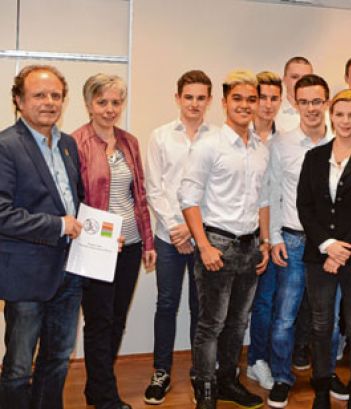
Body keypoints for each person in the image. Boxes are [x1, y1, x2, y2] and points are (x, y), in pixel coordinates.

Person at [179, 70, 270, 409]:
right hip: (217, 245)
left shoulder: (260, 149)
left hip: (250, 247)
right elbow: (188, 198)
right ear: (224, 103)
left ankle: (228, 382)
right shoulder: (209, 145)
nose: (245, 105)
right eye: (238, 99)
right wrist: (203, 246)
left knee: (238, 323)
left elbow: (263, 199)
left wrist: (265, 242)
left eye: (251, 99)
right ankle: (205, 388)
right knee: (211, 324)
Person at [0, 64, 83, 409]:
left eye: (56, 95)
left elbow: (74, 203)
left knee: (58, 358)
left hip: (69, 271)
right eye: (39, 95)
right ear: (19, 101)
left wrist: (100, 239)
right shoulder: (6, 145)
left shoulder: (68, 144)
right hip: (26, 275)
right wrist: (58, 226)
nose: (49, 102)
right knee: (19, 368)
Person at [297, 89, 351, 409]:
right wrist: (327, 246)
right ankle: (321, 390)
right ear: (331, 116)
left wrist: (342, 250)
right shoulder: (314, 157)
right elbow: (304, 207)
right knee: (321, 326)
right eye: (340, 114)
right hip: (318, 255)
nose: (345, 121)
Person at [72, 73, 156, 409]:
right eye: (102, 102)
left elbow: (140, 194)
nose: (110, 109)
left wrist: (148, 241)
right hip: (97, 247)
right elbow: (74, 200)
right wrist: (102, 235)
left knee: (117, 320)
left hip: (131, 246)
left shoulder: (129, 142)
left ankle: (97, 388)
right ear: (89, 104)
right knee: (99, 322)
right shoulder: (76, 143)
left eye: (116, 102)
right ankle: (105, 396)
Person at [144, 70, 216, 405]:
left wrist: (191, 228)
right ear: (178, 98)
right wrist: (176, 227)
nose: (194, 103)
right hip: (168, 236)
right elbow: (154, 187)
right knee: (167, 304)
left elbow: (216, 190)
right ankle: (161, 371)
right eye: (189, 97)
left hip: (203, 236)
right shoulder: (160, 136)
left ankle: (200, 373)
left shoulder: (218, 138)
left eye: (201, 98)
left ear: (209, 101)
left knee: (201, 307)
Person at [264, 74, 333, 408]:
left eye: (317, 101)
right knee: (285, 316)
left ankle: (326, 376)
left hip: (330, 245)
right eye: (304, 102)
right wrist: (274, 236)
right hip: (292, 240)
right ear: (294, 103)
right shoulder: (282, 143)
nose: (311, 108)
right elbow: (273, 193)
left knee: (329, 317)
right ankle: (281, 377)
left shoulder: (341, 141)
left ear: (327, 102)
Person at [246, 70, 283, 391]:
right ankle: (228, 364)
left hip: (273, 233)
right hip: (240, 232)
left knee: (267, 302)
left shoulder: (285, 141)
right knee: (234, 306)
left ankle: (259, 359)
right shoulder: (238, 137)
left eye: (274, 98)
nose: (268, 104)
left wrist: (269, 238)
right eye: (262, 97)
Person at [276, 56, 313, 133]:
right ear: (284, 80)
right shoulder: (273, 113)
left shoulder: (326, 114)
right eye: (295, 77)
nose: (300, 82)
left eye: (306, 78)